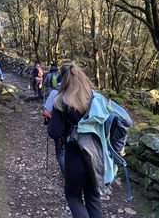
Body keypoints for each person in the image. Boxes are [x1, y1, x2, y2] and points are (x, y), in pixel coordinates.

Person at [48, 63, 103, 218]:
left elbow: (54, 132)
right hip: (96, 156)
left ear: (63, 80)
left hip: (75, 157)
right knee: (93, 197)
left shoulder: (60, 101)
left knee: (73, 196)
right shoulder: (94, 98)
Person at [42, 82, 65, 175]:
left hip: (58, 127)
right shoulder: (75, 92)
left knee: (60, 152)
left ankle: (66, 173)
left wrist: (47, 120)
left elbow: (46, 110)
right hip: (75, 128)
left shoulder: (54, 93)